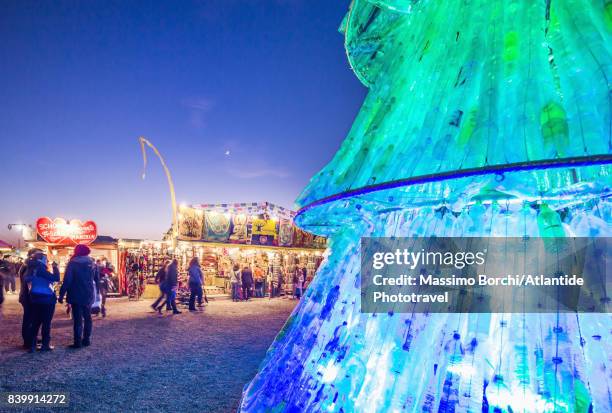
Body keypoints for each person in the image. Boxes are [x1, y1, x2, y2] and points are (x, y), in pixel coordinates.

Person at [58, 244, 99, 349]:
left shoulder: (73, 263)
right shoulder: (92, 263)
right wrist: (97, 293)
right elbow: (96, 280)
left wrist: (61, 294)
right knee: (88, 317)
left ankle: (77, 342)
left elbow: (67, 280)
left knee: (77, 319)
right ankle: (87, 340)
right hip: (89, 293)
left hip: (76, 293)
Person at [25, 252, 60, 352]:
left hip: (35, 298)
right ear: (42, 260)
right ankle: (45, 345)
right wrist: (55, 267)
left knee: (35, 323)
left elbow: (27, 280)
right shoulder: (40, 268)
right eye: (46, 259)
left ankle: (32, 346)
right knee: (46, 323)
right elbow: (56, 278)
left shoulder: (31, 268)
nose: (47, 261)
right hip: (47, 299)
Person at [19, 249, 42, 349]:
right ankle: (28, 342)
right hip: (30, 296)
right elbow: (30, 281)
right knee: (30, 318)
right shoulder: (32, 266)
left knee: (29, 318)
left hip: (26, 296)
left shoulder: (26, 264)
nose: (41, 256)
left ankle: (31, 339)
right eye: (39, 254)